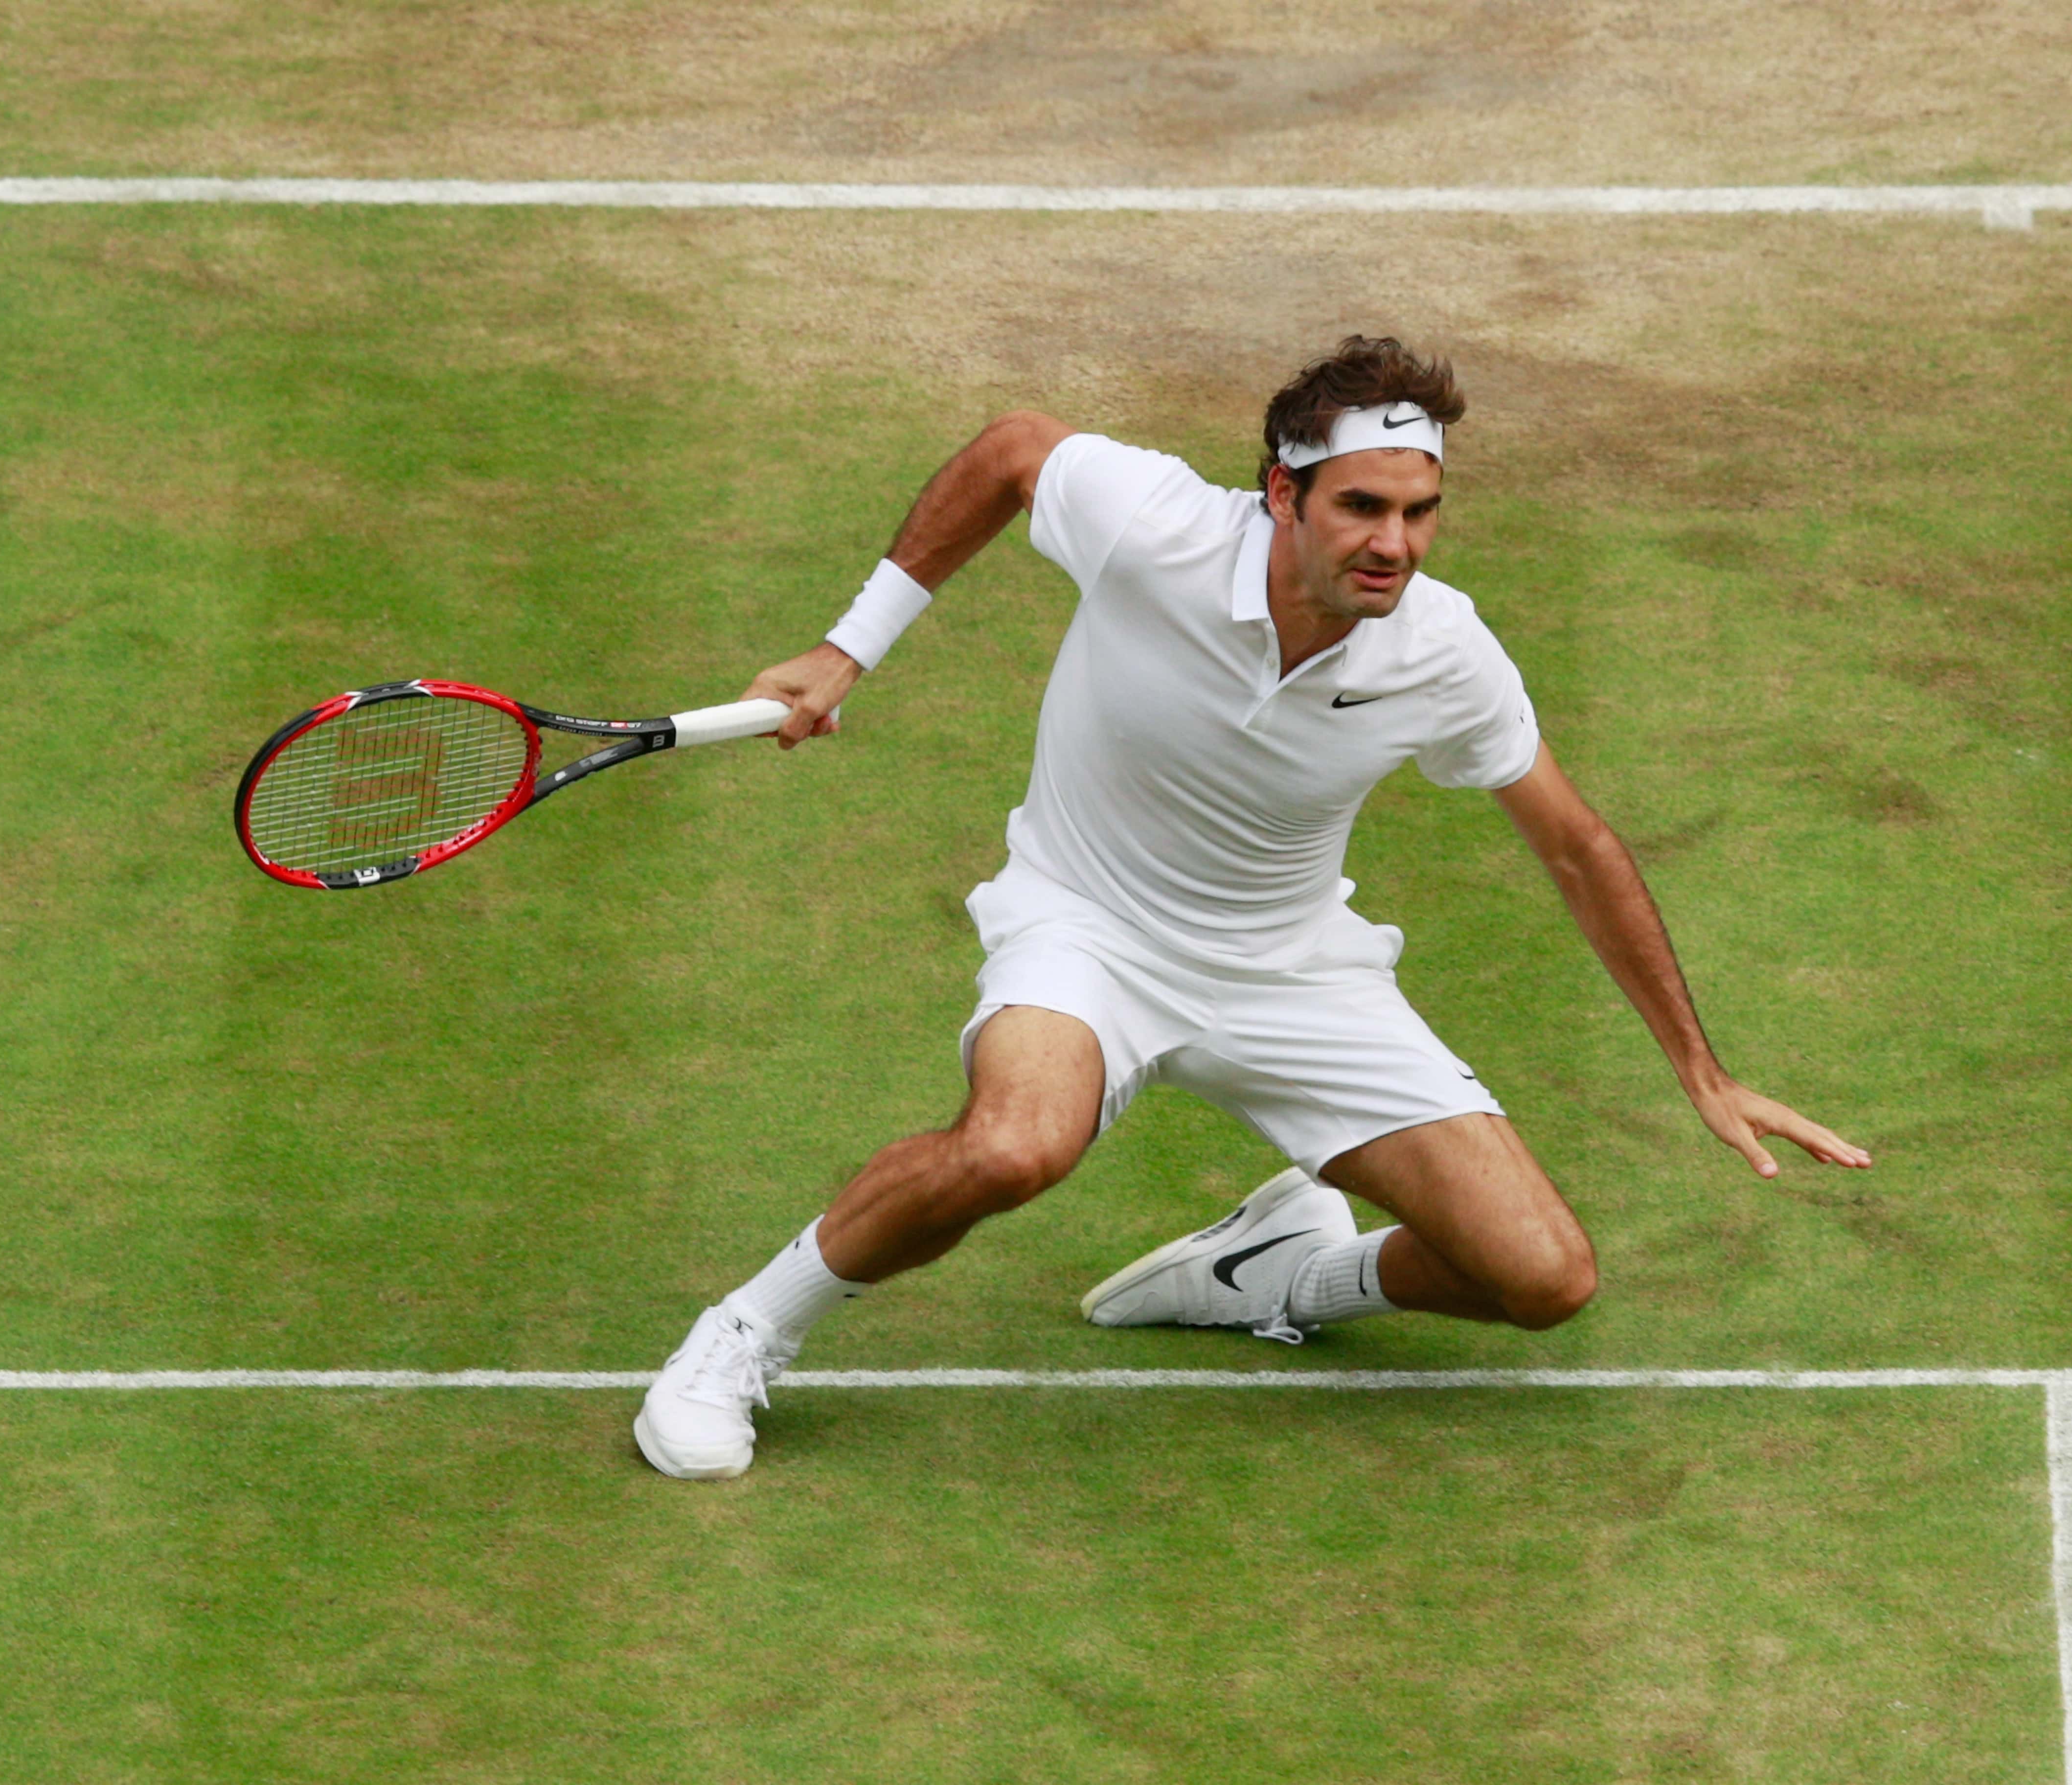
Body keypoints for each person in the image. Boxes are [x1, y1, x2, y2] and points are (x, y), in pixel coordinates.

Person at [635, 336, 1870, 1480]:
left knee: (1542, 1276)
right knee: (1016, 1145)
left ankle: (1280, 1273)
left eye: (1422, 511)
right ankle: (744, 1332)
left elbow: (1578, 845)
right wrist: (850, 647)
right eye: (1364, 508)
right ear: (1282, 495)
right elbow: (1015, 450)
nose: (1398, 544)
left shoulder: (1443, 650)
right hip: (1090, 929)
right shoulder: (1156, 524)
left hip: (1292, 969)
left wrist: (1702, 1074)